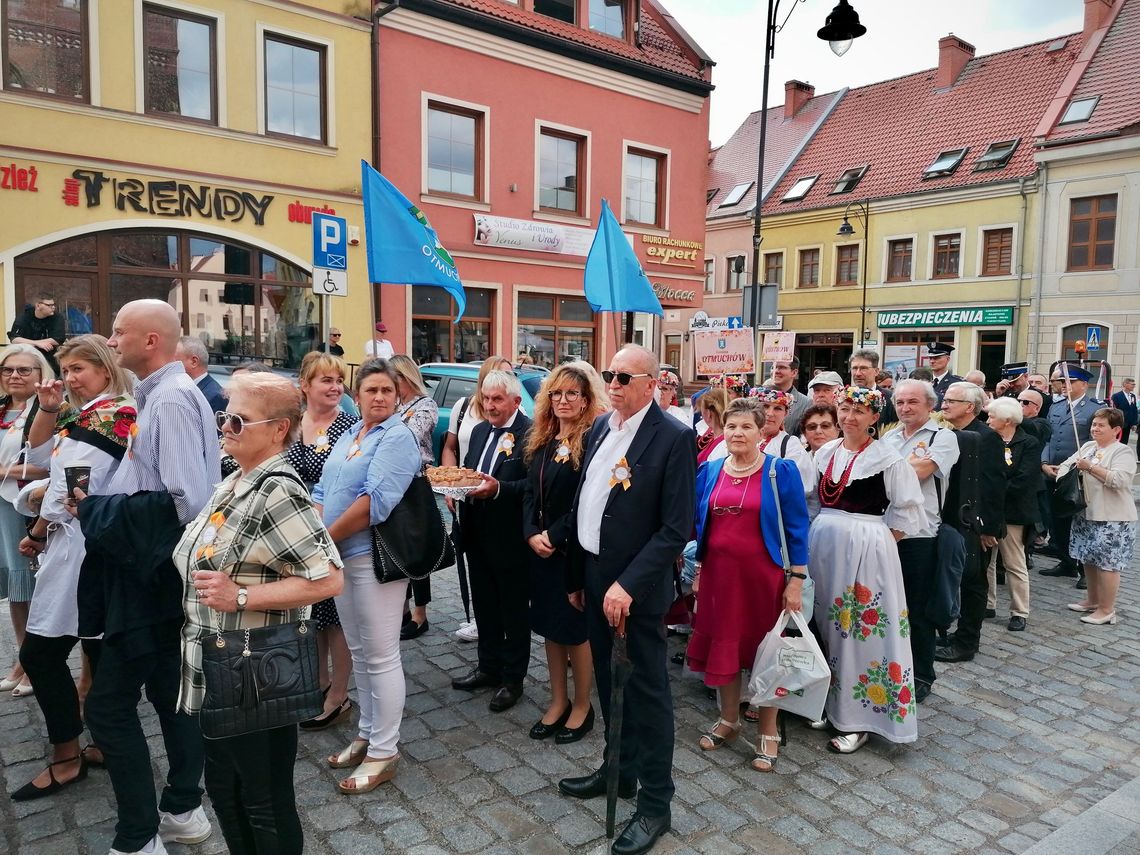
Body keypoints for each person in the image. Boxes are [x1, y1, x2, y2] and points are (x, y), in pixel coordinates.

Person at [76, 299, 220, 854]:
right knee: (169, 692)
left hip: (154, 572)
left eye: (118, 332)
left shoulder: (174, 399)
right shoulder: (155, 394)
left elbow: (185, 500)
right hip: (149, 567)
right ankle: (182, 809)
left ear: (151, 340)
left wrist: (97, 509)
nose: (110, 341)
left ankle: (139, 838)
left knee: (109, 708)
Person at [176, 373, 343, 852]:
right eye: (222, 417)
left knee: (263, 799)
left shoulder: (279, 491)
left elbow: (329, 579)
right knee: (226, 792)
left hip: (253, 673)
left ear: (278, 430)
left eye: (238, 420)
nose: (225, 427)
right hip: (216, 667)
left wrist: (241, 598)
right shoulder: (235, 480)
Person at [558, 344, 696, 855]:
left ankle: (656, 802)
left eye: (621, 377)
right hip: (595, 577)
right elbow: (585, 505)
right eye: (607, 376)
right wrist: (578, 574)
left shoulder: (672, 438)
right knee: (609, 685)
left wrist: (628, 584)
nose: (611, 385)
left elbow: (676, 526)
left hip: (634, 590)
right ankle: (618, 772)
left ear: (650, 383)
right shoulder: (602, 427)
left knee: (647, 695)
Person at [9, 336, 134, 801]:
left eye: (79, 368)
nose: (70, 377)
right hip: (82, 545)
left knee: (42, 654)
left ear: (104, 368)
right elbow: (38, 458)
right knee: (95, 647)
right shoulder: (85, 412)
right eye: (66, 368)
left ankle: (67, 755)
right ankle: (96, 741)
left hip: (83, 547)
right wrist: (48, 407)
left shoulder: (112, 414)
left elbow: (66, 489)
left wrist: (37, 527)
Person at [314, 359, 420, 794]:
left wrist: (324, 540)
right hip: (340, 558)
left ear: (398, 397)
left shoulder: (398, 436)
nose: (379, 398)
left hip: (373, 559)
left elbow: (375, 502)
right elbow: (322, 490)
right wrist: (319, 533)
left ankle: (384, 751)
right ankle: (367, 733)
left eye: (387, 392)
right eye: (372, 390)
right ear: (357, 395)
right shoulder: (349, 433)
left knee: (381, 655)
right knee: (357, 649)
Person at [687, 397, 809, 772]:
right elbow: (700, 526)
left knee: (765, 652)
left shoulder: (779, 470)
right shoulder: (710, 471)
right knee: (725, 647)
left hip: (763, 578)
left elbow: (797, 528)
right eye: (732, 426)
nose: (738, 433)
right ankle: (730, 719)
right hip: (720, 579)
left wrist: (796, 581)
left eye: (746, 427)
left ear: (761, 432)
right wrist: (701, 570)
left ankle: (768, 730)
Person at [809, 386, 924, 754]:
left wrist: (875, 547)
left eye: (859, 410)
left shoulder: (887, 459)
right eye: (845, 408)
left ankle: (858, 718)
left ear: (875, 417)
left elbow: (906, 513)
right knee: (824, 624)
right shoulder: (826, 452)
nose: (849, 417)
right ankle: (826, 701)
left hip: (866, 549)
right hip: (823, 545)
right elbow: (812, 500)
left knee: (860, 631)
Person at [522, 362, 606, 743]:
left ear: (587, 399)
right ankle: (557, 701)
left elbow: (587, 501)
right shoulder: (543, 437)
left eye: (572, 393)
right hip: (539, 552)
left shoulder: (593, 441)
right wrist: (530, 533)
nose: (563, 400)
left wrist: (553, 536)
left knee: (575, 631)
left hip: (570, 550)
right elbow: (529, 492)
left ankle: (582, 706)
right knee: (550, 630)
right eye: (556, 393)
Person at [451, 371, 533, 712]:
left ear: (515, 401)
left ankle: (512, 679)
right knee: (484, 603)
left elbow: (533, 488)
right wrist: (455, 488)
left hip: (510, 535)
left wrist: (498, 489)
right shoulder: (481, 429)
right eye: (485, 398)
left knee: (512, 609)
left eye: (497, 399)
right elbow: (472, 470)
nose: (489, 405)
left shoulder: (530, 433)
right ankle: (488, 666)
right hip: (476, 529)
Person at [288, 352, 356, 731]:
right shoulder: (293, 425)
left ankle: (339, 694)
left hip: (335, 535)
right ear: (305, 385)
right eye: (325, 380)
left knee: (337, 618)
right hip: (295, 535)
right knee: (311, 616)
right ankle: (318, 682)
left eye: (337, 380)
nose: (334, 387)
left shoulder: (349, 425)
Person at [880, 379, 959, 703]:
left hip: (921, 534)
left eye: (912, 402)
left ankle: (923, 673)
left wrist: (889, 469)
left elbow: (921, 472)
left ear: (930, 405)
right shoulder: (889, 437)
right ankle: (892, 668)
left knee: (918, 609)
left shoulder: (944, 437)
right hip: (886, 532)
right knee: (888, 607)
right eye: (900, 402)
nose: (904, 408)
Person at [441, 354, 515, 643]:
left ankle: (506, 663)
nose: (503, 380)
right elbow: (452, 449)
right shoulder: (467, 411)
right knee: (477, 578)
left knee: (505, 592)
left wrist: (497, 489)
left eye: (509, 376)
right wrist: (451, 485)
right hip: (469, 504)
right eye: (497, 375)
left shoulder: (522, 424)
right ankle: (482, 637)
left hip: (500, 513)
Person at [934, 382, 1007, 664]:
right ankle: (956, 632)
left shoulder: (986, 437)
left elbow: (994, 486)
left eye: (952, 400)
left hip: (976, 525)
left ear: (970, 407)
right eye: (945, 399)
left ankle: (967, 642)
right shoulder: (952, 433)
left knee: (974, 583)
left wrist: (989, 528)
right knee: (958, 577)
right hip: (954, 518)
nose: (944, 404)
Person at [0, 344, 53, 698]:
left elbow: (51, 464)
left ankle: (35, 662)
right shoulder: (2, 408)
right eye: (8, 370)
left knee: (31, 584)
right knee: (16, 588)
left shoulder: (47, 410)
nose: (15, 376)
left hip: (28, 504)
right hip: (2, 505)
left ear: (40, 374)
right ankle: (22, 654)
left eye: (24, 370)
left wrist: (4, 470)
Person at [1059, 408, 1136, 625]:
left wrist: (1090, 467)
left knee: (1107, 564)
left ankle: (1107, 609)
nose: (1095, 429)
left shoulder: (1123, 452)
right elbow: (1067, 465)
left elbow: (1119, 480)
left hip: (1113, 517)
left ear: (1116, 430)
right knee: (1088, 559)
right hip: (1086, 513)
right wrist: (1066, 472)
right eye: (1094, 424)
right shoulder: (1088, 446)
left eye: (1101, 425)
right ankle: (1092, 600)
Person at [389, 354, 440, 640]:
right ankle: (403, 610)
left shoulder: (425, 405)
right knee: (399, 549)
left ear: (405, 377)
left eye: (393, 379)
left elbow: (409, 436)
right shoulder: (396, 406)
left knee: (418, 551)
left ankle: (421, 614)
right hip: (395, 482)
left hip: (417, 483)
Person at [983, 397, 1042, 632]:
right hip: (989, 509)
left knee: (1013, 562)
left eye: (992, 416)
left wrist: (995, 491)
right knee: (987, 560)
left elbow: (1024, 478)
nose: (987, 420)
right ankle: (988, 604)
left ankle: (1019, 611)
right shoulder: (988, 439)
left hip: (1013, 511)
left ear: (1007, 420)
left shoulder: (1028, 443)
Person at [1040, 364, 1099, 585]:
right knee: (1057, 520)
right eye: (1062, 382)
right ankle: (1066, 562)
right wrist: (1044, 462)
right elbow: (1048, 437)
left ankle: (1085, 570)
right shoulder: (1056, 407)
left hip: (1075, 474)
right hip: (1052, 471)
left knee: (1079, 521)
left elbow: (1095, 444)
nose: (1064, 386)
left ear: (1083, 384)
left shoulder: (1093, 408)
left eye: (1070, 382)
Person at [737, 388, 815, 494]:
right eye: (765, 406)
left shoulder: (791, 446)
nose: (770, 413)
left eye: (778, 408)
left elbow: (802, 486)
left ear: (786, 413)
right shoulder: (738, 438)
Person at [9, 293, 66, 373]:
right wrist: (38, 343)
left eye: (53, 305)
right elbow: (14, 339)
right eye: (49, 305)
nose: (53, 307)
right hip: (28, 358)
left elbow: (58, 339)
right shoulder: (24, 317)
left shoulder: (57, 317)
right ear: (38, 305)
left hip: (51, 359)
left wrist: (33, 343)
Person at [174, 336, 226, 415]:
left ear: (194, 361)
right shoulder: (185, 389)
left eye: (174, 361)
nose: (170, 366)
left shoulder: (216, 396)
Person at [848, 350, 897, 430]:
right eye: (854, 368)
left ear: (876, 371)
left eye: (863, 368)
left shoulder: (890, 398)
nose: (857, 373)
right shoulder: (845, 397)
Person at [767, 356, 810, 437]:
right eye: (774, 367)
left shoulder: (805, 403)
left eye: (782, 367)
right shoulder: (758, 397)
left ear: (794, 372)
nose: (776, 371)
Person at [695, 388, 728, 464]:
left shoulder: (723, 445)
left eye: (702, 412)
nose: (702, 416)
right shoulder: (711, 434)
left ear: (709, 413)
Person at [926, 341, 963, 407]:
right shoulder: (924, 382)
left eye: (936, 358)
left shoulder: (957, 383)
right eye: (930, 358)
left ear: (948, 359)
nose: (932, 361)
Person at [1111, 378, 1137, 445]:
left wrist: (1134, 423)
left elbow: (1134, 410)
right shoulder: (1116, 396)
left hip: (1128, 425)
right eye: (1132, 384)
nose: (1134, 386)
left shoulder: (1133, 396)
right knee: (1116, 443)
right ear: (1125, 384)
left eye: (1134, 384)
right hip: (1119, 424)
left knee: (1124, 443)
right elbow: (1114, 411)